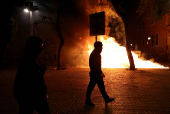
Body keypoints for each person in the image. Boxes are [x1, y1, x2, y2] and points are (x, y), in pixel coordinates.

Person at [13, 36, 50, 114]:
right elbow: (33, 79)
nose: (41, 49)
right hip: (32, 96)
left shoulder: (29, 60)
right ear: (34, 48)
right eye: (40, 46)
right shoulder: (28, 61)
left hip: (29, 96)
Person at [85, 41, 114, 106]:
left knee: (101, 87)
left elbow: (97, 65)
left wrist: (100, 72)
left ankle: (106, 99)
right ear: (97, 47)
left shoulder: (96, 53)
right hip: (95, 74)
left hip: (96, 74)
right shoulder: (95, 54)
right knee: (91, 87)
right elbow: (95, 65)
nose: (102, 48)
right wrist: (100, 72)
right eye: (101, 47)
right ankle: (87, 100)